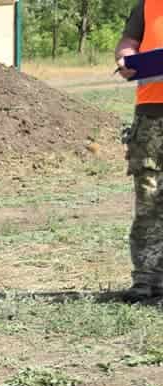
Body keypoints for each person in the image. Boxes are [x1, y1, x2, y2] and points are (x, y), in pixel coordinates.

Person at [116, 2, 163, 302]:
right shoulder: (148, 4)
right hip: (150, 115)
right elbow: (128, 43)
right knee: (148, 195)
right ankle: (147, 279)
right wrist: (125, 58)